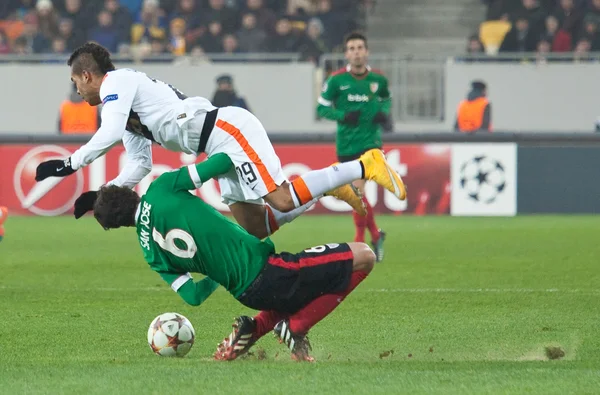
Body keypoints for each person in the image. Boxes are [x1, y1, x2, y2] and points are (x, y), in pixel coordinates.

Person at [34, 42, 407, 240]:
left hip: (229, 130)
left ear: (88, 75)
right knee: (256, 228)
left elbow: (110, 133)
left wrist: (71, 163)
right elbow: (141, 163)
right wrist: (108, 191)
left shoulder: (118, 83)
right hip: (215, 146)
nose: (77, 90)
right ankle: (328, 187)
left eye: (76, 82)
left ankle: (364, 164)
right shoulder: (119, 107)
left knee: (278, 197)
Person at [92, 161, 377, 362]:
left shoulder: (149, 253)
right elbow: (221, 161)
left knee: (313, 286)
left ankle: (256, 327)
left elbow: (192, 296)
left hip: (246, 292)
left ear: (120, 225)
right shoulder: (161, 187)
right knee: (365, 256)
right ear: (128, 191)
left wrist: (218, 270)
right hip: (269, 270)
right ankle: (295, 327)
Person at [317, 32, 398, 263]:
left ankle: (359, 241)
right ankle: (375, 234)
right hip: (346, 145)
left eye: (360, 47)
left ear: (367, 51)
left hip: (371, 145)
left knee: (357, 192)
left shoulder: (378, 80)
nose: (356, 52)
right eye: (351, 48)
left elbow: (386, 98)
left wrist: (383, 113)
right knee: (356, 195)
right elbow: (321, 109)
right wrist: (343, 115)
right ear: (346, 54)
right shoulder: (336, 81)